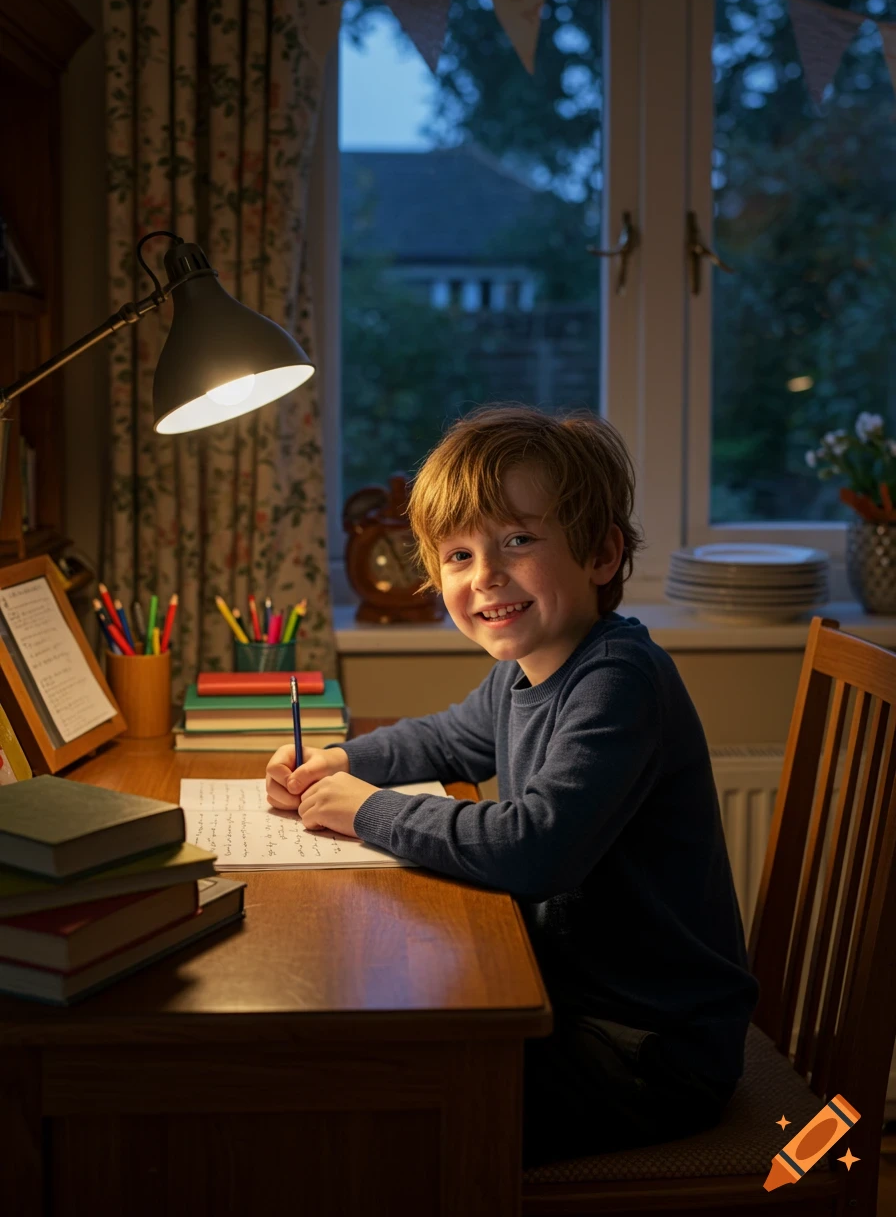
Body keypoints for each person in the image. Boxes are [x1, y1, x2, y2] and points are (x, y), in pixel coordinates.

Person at [265, 403, 760, 1167]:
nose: (485, 575)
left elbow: (535, 850)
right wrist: (340, 759)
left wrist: (368, 812)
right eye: (457, 555)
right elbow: (443, 737)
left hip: (648, 1052)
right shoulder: (525, 671)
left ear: (600, 554)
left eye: (517, 542)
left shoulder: (618, 680)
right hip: (579, 1009)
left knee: (383, 1108)